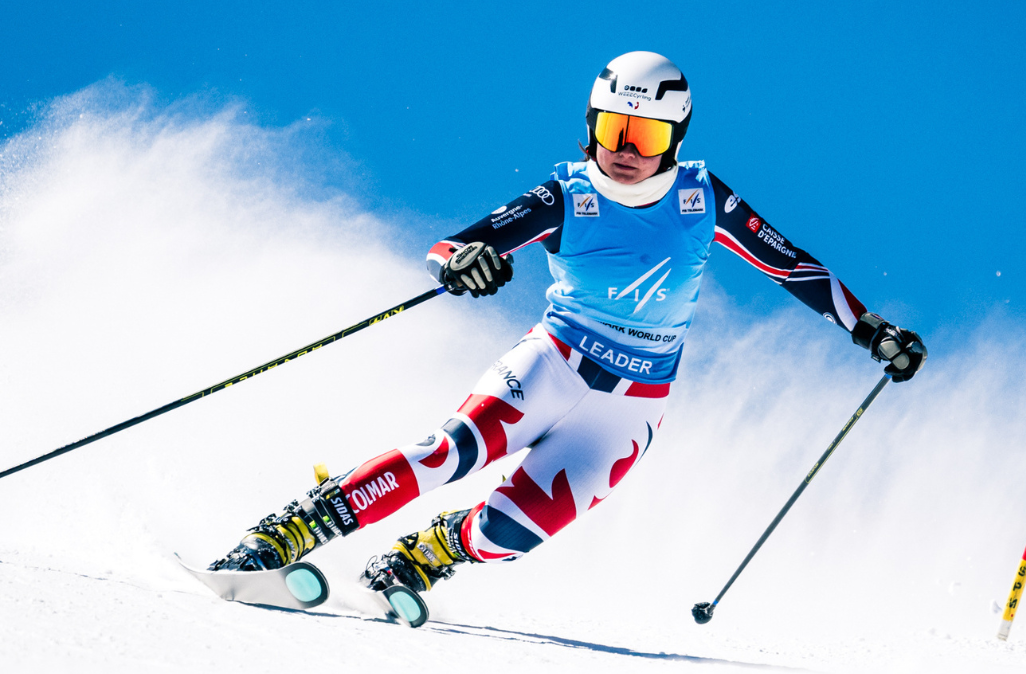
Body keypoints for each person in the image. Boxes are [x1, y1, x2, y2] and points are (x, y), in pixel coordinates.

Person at [209, 52, 927, 598]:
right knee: (447, 453)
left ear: (675, 138)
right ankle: (296, 527)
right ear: (591, 125)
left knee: (509, 533)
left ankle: (425, 555)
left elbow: (791, 266)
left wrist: (871, 331)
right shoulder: (571, 195)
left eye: (644, 135)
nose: (625, 148)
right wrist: (463, 265)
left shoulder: (701, 198)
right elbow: (449, 247)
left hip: (632, 407)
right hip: (551, 365)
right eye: (612, 128)